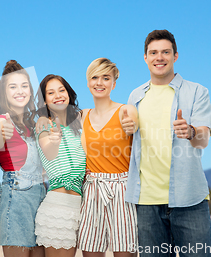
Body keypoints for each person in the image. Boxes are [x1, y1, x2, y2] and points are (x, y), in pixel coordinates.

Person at [125, 29, 211, 256]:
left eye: (165, 52)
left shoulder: (197, 92)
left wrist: (191, 131)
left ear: (175, 56)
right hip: (146, 203)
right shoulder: (136, 96)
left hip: (189, 199)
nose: (159, 57)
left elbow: (203, 139)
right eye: (153, 53)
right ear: (145, 58)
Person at [77, 58, 139, 257]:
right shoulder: (81, 116)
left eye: (106, 78)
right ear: (88, 82)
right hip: (92, 189)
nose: (99, 83)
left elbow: (136, 129)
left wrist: (134, 127)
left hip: (122, 190)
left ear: (114, 82)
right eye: (94, 77)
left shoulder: (126, 111)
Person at [0, 60, 46, 257]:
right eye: (12, 87)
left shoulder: (34, 124)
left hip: (41, 199)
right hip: (16, 200)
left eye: (24, 86)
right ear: (4, 93)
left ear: (30, 91)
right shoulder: (2, 120)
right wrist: (0, 135)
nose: (19, 91)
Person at [34, 74, 86, 257]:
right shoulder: (44, 126)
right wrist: (54, 141)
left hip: (82, 208)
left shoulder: (80, 124)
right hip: (57, 209)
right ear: (45, 101)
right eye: (50, 93)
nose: (58, 95)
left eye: (61, 90)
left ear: (69, 93)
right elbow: (47, 149)